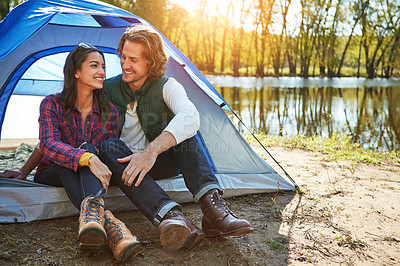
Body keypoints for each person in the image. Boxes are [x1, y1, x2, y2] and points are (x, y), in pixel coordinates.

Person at [1, 25, 253, 253]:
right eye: (122, 57)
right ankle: (156, 218)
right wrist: (27, 169)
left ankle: (213, 210)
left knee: (187, 132)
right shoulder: (87, 93)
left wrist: (150, 152)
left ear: (150, 62)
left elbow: (190, 116)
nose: (123, 65)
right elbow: (56, 139)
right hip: (113, 165)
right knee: (99, 148)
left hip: (153, 163)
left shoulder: (160, 88)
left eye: (133, 59)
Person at [24, 43, 138, 263]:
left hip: (91, 178)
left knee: (89, 149)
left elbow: (106, 153)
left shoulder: (110, 112)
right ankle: (111, 224)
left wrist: (92, 157)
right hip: (55, 172)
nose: (102, 72)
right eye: (94, 66)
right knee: (81, 154)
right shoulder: (51, 104)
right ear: (76, 71)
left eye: (103, 67)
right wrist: (87, 158)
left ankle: (93, 223)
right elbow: (48, 143)